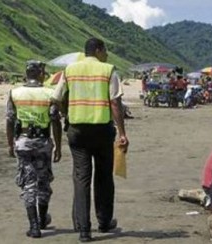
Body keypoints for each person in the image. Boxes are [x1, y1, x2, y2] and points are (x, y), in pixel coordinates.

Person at [52, 37, 129, 242]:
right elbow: (115, 103)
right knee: (104, 177)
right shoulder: (108, 70)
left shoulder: (70, 70)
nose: (107, 55)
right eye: (105, 50)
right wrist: (122, 133)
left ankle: (83, 229)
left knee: (81, 178)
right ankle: (104, 222)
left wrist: (67, 113)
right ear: (97, 50)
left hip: (77, 131)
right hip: (102, 131)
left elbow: (56, 98)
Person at [6, 60, 62, 238]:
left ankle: (34, 225)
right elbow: (54, 119)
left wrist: (9, 144)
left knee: (28, 184)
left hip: (23, 141)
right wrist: (58, 146)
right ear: (40, 74)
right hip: (43, 142)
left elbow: (9, 119)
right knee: (43, 182)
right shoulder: (49, 93)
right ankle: (43, 218)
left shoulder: (15, 93)